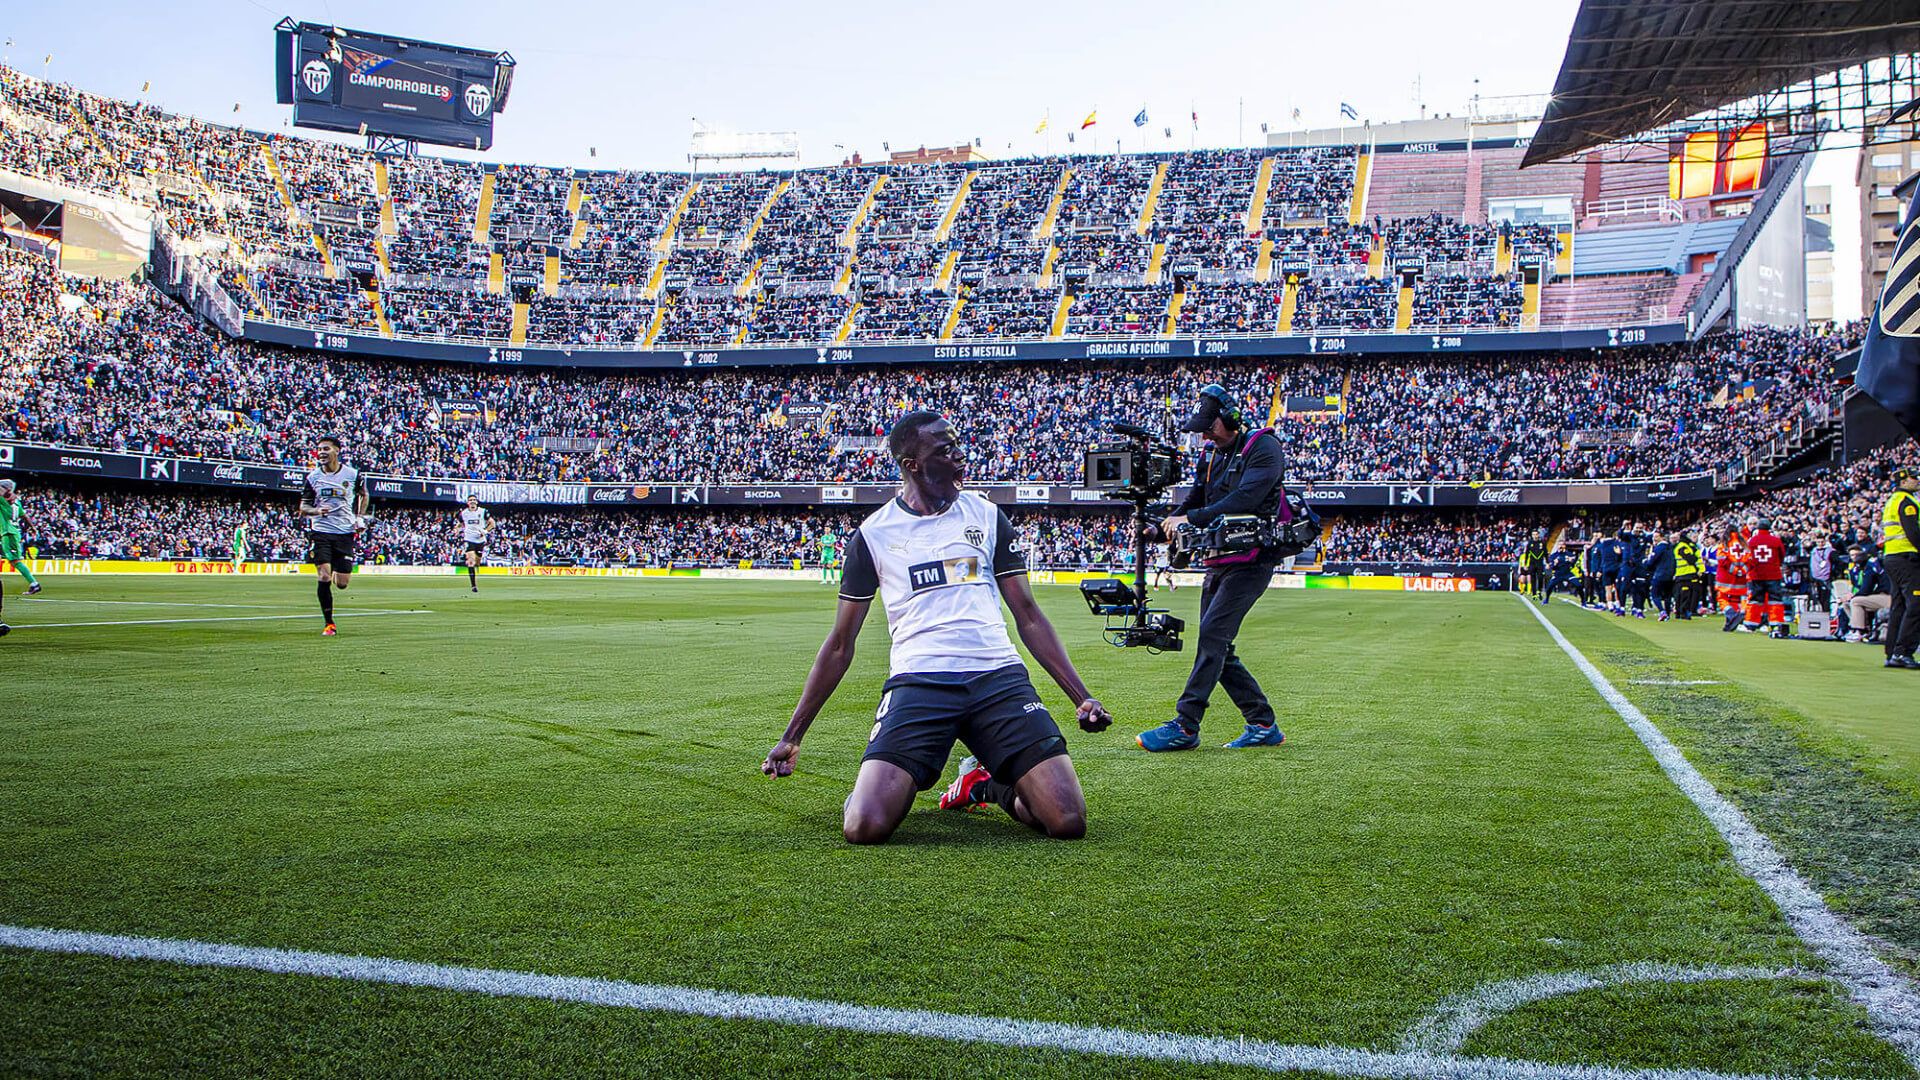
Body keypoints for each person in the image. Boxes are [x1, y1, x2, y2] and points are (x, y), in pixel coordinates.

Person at [761, 411, 1113, 844]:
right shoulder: (873, 537)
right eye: (945, 451)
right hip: (920, 681)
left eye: (956, 446)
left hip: (997, 678)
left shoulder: (985, 516)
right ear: (912, 464)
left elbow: (1029, 616)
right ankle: (879, 784)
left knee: (1066, 821)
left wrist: (1082, 697)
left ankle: (983, 785)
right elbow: (839, 645)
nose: (960, 457)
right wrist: (792, 737)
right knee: (864, 827)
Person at [1136, 383, 1288, 752]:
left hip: (1252, 561)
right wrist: (1159, 527)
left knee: (1212, 640)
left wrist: (1190, 517)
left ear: (1231, 418)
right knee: (1220, 647)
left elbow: (1245, 498)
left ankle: (1186, 725)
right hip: (1218, 562)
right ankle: (1262, 722)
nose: (1204, 432)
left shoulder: (1263, 447)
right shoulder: (1211, 456)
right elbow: (1194, 500)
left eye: (1209, 425)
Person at [299, 435, 369, 636]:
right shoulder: (313, 478)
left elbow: (364, 494)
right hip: (321, 531)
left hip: (345, 532)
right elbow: (303, 507)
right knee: (323, 575)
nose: (321, 452)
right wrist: (316, 511)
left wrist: (359, 518)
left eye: (326, 449)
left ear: (337, 451)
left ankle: (339, 576)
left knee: (342, 583)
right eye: (319, 449)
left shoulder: (352, 474)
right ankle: (329, 623)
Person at [1878, 465, 1920, 669]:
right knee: (1916, 605)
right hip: (1907, 557)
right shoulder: (1906, 502)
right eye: (1914, 479)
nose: (1917, 481)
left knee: (1899, 605)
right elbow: (1913, 532)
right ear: (1903, 481)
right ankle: (1903, 651)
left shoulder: (1892, 501)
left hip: (1893, 556)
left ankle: (1892, 651)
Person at [1735, 518, 1788, 638]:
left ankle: (1750, 624)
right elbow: (1782, 555)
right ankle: (1776, 624)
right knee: (1775, 600)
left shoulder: (1752, 541)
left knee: (1755, 600)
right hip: (1773, 575)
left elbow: (1747, 558)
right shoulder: (1775, 540)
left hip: (1756, 576)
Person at [0, 479, 43, 596]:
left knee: (15, 561)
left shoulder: (2, 501)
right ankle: (33, 584)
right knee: (13, 560)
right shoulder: (16, 502)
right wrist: (33, 527)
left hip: (9, 532)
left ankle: (34, 584)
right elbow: (24, 515)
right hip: (11, 532)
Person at [1842, 544, 1890, 644]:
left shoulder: (1871, 566)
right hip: (1878, 596)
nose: (1855, 558)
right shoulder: (1857, 569)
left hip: (1887, 596)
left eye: (1857, 555)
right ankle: (1863, 630)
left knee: (1855, 601)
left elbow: (1866, 589)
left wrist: (1852, 597)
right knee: (1846, 604)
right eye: (1852, 555)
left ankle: (1859, 631)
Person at [456, 496, 492, 592]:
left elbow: (492, 523)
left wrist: (485, 531)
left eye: (474, 500)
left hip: (480, 540)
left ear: (477, 502)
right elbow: (460, 523)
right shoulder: (463, 513)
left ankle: (474, 566)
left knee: (477, 562)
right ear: (467, 503)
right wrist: (457, 529)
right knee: (471, 561)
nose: (472, 502)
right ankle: (473, 585)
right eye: (470, 500)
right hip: (469, 539)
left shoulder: (483, 512)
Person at [1671, 529, 1703, 620]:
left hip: (1686, 573)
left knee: (1685, 594)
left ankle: (1681, 612)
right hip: (1684, 573)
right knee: (1684, 594)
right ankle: (1682, 612)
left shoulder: (1688, 545)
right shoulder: (1683, 547)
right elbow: (1691, 559)